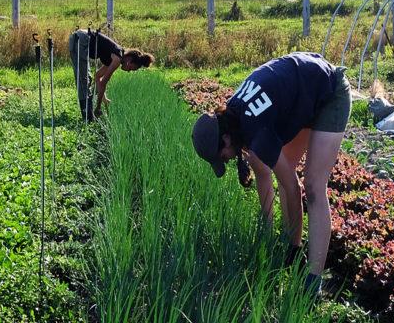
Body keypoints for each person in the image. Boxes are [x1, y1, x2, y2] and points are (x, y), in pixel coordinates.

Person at [191, 52, 351, 295]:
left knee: (313, 187)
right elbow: (266, 173)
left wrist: (292, 251)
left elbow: (291, 187)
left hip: (328, 91)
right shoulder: (233, 116)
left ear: (225, 139)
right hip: (302, 92)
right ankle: (291, 247)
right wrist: (267, 232)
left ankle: (311, 279)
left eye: (221, 156)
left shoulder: (255, 131)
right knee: (281, 166)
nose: (226, 159)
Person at [68, 28, 154, 120]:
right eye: (131, 69)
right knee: (83, 79)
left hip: (81, 37)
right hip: (82, 39)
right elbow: (104, 82)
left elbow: (98, 76)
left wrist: (104, 98)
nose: (129, 71)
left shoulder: (117, 56)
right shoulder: (117, 59)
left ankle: (88, 115)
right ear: (129, 61)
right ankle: (87, 116)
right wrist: (98, 106)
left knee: (86, 78)